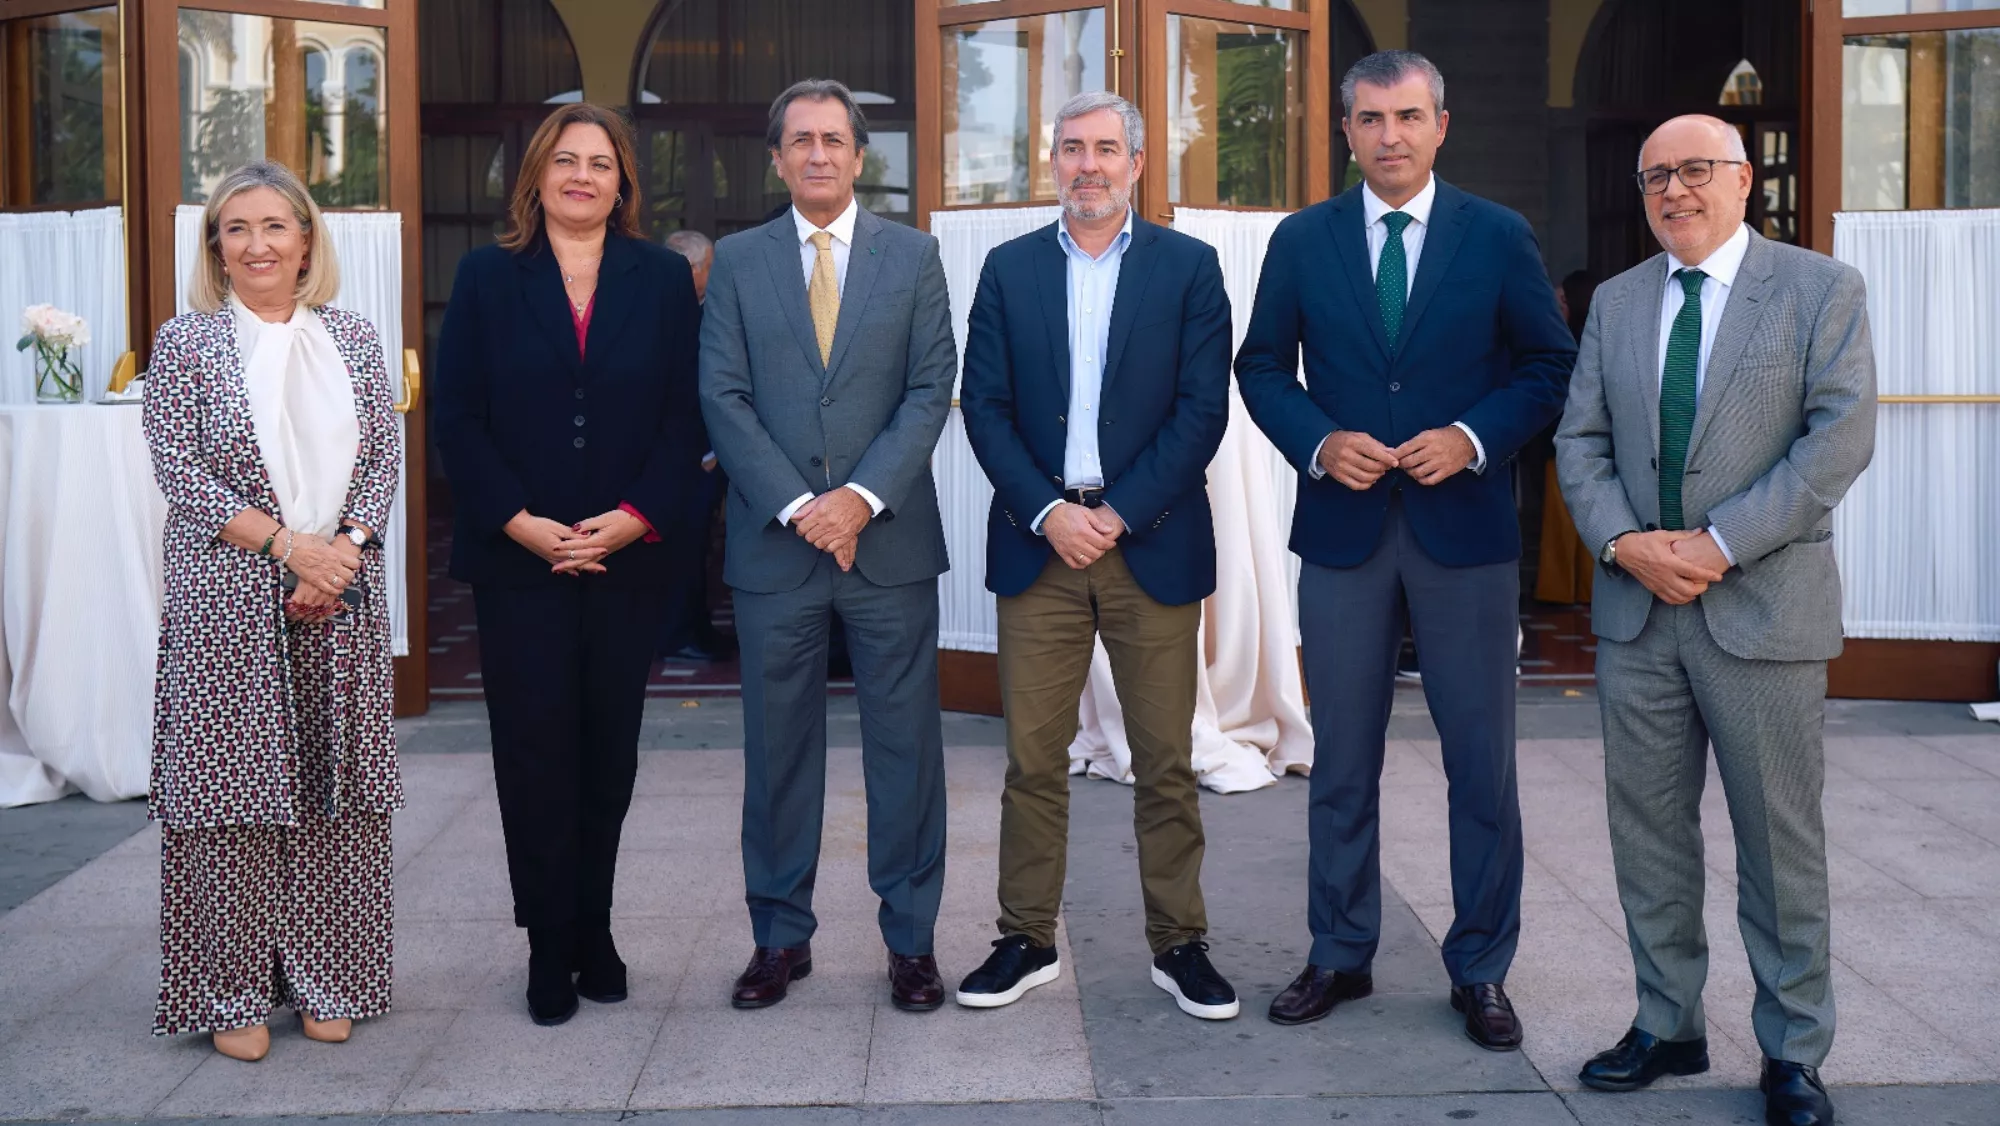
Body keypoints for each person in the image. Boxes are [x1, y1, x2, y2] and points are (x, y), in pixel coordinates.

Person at [1235, 50, 1575, 1048]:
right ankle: (1338, 952)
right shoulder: (1302, 240)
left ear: (1440, 124)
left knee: (1480, 764)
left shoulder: (1497, 235)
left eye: (1408, 116)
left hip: (1461, 534)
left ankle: (1479, 966)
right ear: (1345, 131)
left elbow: (1548, 364)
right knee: (1340, 758)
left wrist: (1470, 437)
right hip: (1342, 536)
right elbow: (1260, 366)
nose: (1389, 134)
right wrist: (1315, 440)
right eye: (1370, 118)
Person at [1556, 114, 1875, 1126]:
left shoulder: (1819, 289)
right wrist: (1623, 543)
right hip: (1636, 609)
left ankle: (1792, 1049)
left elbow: (1836, 440)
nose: (1672, 191)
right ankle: (1665, 1021)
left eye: (1694, 170)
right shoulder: (1613, 301)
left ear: (1743, 180)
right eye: (1654, 176)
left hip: (1761, 606)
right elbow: (1579, 440)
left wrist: (1718, 541)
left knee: (1779, 846)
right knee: (1646, 834)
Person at [956, 92, 1237, 1020]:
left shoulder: (1190, 269)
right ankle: (1026, 939)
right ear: (1053, 161)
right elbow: (984, 407)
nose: (1088, 164)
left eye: (1106, 149)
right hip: (1038, 547)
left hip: (1146, 542)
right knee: (1033, 763)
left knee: (1165, 762)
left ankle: (1179, 945)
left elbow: (1203, 411)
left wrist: (1114, 515)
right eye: (1072, 148)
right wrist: (1047, 511)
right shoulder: (1007, 269)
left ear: (1138, 162)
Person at [433, 103, 705, 1026]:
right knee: (534, 754)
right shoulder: (484, 276)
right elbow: (458, 419)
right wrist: (521, 522)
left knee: (608, 756)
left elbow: (685, 416)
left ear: (624, 181)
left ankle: (596, 924)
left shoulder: (664, 280)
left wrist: (632, 519)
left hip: (626, 563)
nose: (582, 176)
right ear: (537, 176)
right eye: (566, 160)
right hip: (522, 566)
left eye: (601, 162)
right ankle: (549, 941)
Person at [700, 79, 957, 1012]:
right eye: (799, 140)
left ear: (859, 156)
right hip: (777, 551)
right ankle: (778, 938)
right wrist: (804, 507)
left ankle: (912, 942)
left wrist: (856, 500)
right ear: (776, 157)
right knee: (778, 755)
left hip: (888, 546)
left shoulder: (914, 256)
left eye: (833, 140)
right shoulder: (736, 259)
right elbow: (721, 396)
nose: (817, 154)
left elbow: (932, 390)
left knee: (907, 753)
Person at [143, 160, 402, 1061]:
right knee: (231, 800)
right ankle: (232, 993)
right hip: (226, 602)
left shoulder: (357, 338)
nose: (257, 245)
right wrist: (290, 550)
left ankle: (334, 977)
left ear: (306, 242)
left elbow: (383, 460)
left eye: (274, 227)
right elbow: (182, 471)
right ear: (216, 247)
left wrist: (342, 558)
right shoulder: (185, 343)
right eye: (236, 228)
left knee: (337, 795)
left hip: (342, 595)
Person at [660, 228, 732, 664]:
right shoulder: (663, 313)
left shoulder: (711, 308)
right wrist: (705, 453)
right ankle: (676, 634)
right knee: (680, 549)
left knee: (700, 546)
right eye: (709, 266)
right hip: (683, 457)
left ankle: (698, 628)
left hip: (709, 453)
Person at [1535, 270, 1600, 605]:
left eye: (1561, 298)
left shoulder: (1570, 342)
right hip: (1584, 446)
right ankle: (1583, 592)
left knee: (1567, 522)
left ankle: (1559, 592)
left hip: (1568, 443)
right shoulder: (1590, 335)